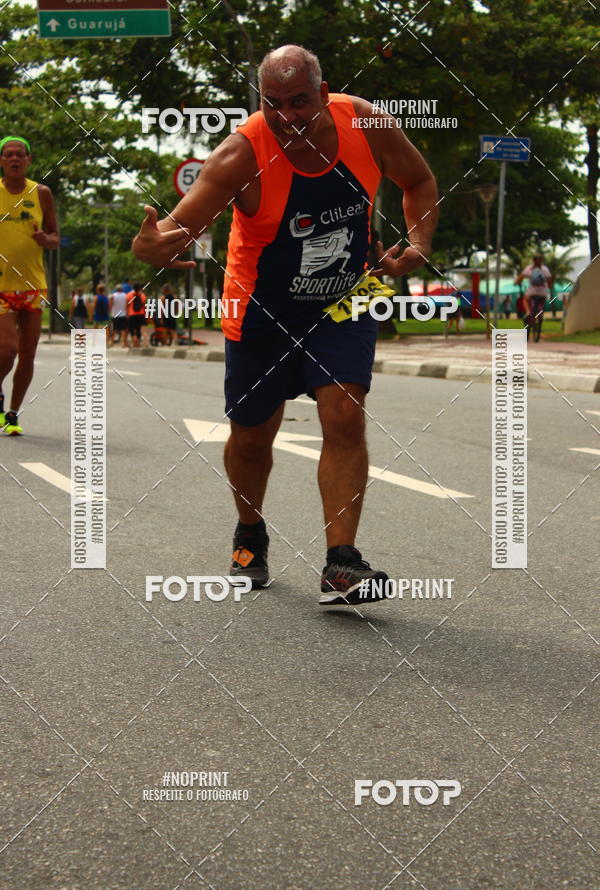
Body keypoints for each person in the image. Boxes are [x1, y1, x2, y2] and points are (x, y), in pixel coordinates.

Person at [132, 45, 438, 605]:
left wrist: (418, 242)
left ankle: (340, 565)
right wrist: (149, 244)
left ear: (324, 95)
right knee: (251, 437)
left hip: (343, 300)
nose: (288, 117)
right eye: (274, 105)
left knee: (344, 414)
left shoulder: (366, 125)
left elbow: (418, 181)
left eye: (300, 102)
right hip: (260, 308)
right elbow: (179, 225)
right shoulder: (240, 154)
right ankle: (250, 534)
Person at [0, 135, 59, 435]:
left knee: (27, 353)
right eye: (8, 154)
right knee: (7, 349)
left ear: (28, 160)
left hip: (33, 286)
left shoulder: (42, 193)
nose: (13, 159)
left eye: (19, 154)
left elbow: (55, 236)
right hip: (1, 287)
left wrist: (45, 240)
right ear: (1, 161)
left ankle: (12, 414)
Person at [515, 253, 552, 342]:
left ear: (533, 260)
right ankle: (541, 311)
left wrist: (517, 281)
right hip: (543, 292)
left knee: (525, 298)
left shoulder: (529, 268)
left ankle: (528, 311)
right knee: (542, 300)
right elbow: (549, 280)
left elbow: (520, 277)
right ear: (541, 261)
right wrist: (549, 286)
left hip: (532, 292)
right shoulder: (545, 269)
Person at [126, 282, 147, 347]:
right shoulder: (143, 295)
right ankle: (143, 343)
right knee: (139, 329)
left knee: (132, 329)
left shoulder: (129, 295)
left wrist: (127, 314)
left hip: (132, 315)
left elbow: (127, 305)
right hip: (141, 315)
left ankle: (135, 343)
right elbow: (144, 306)